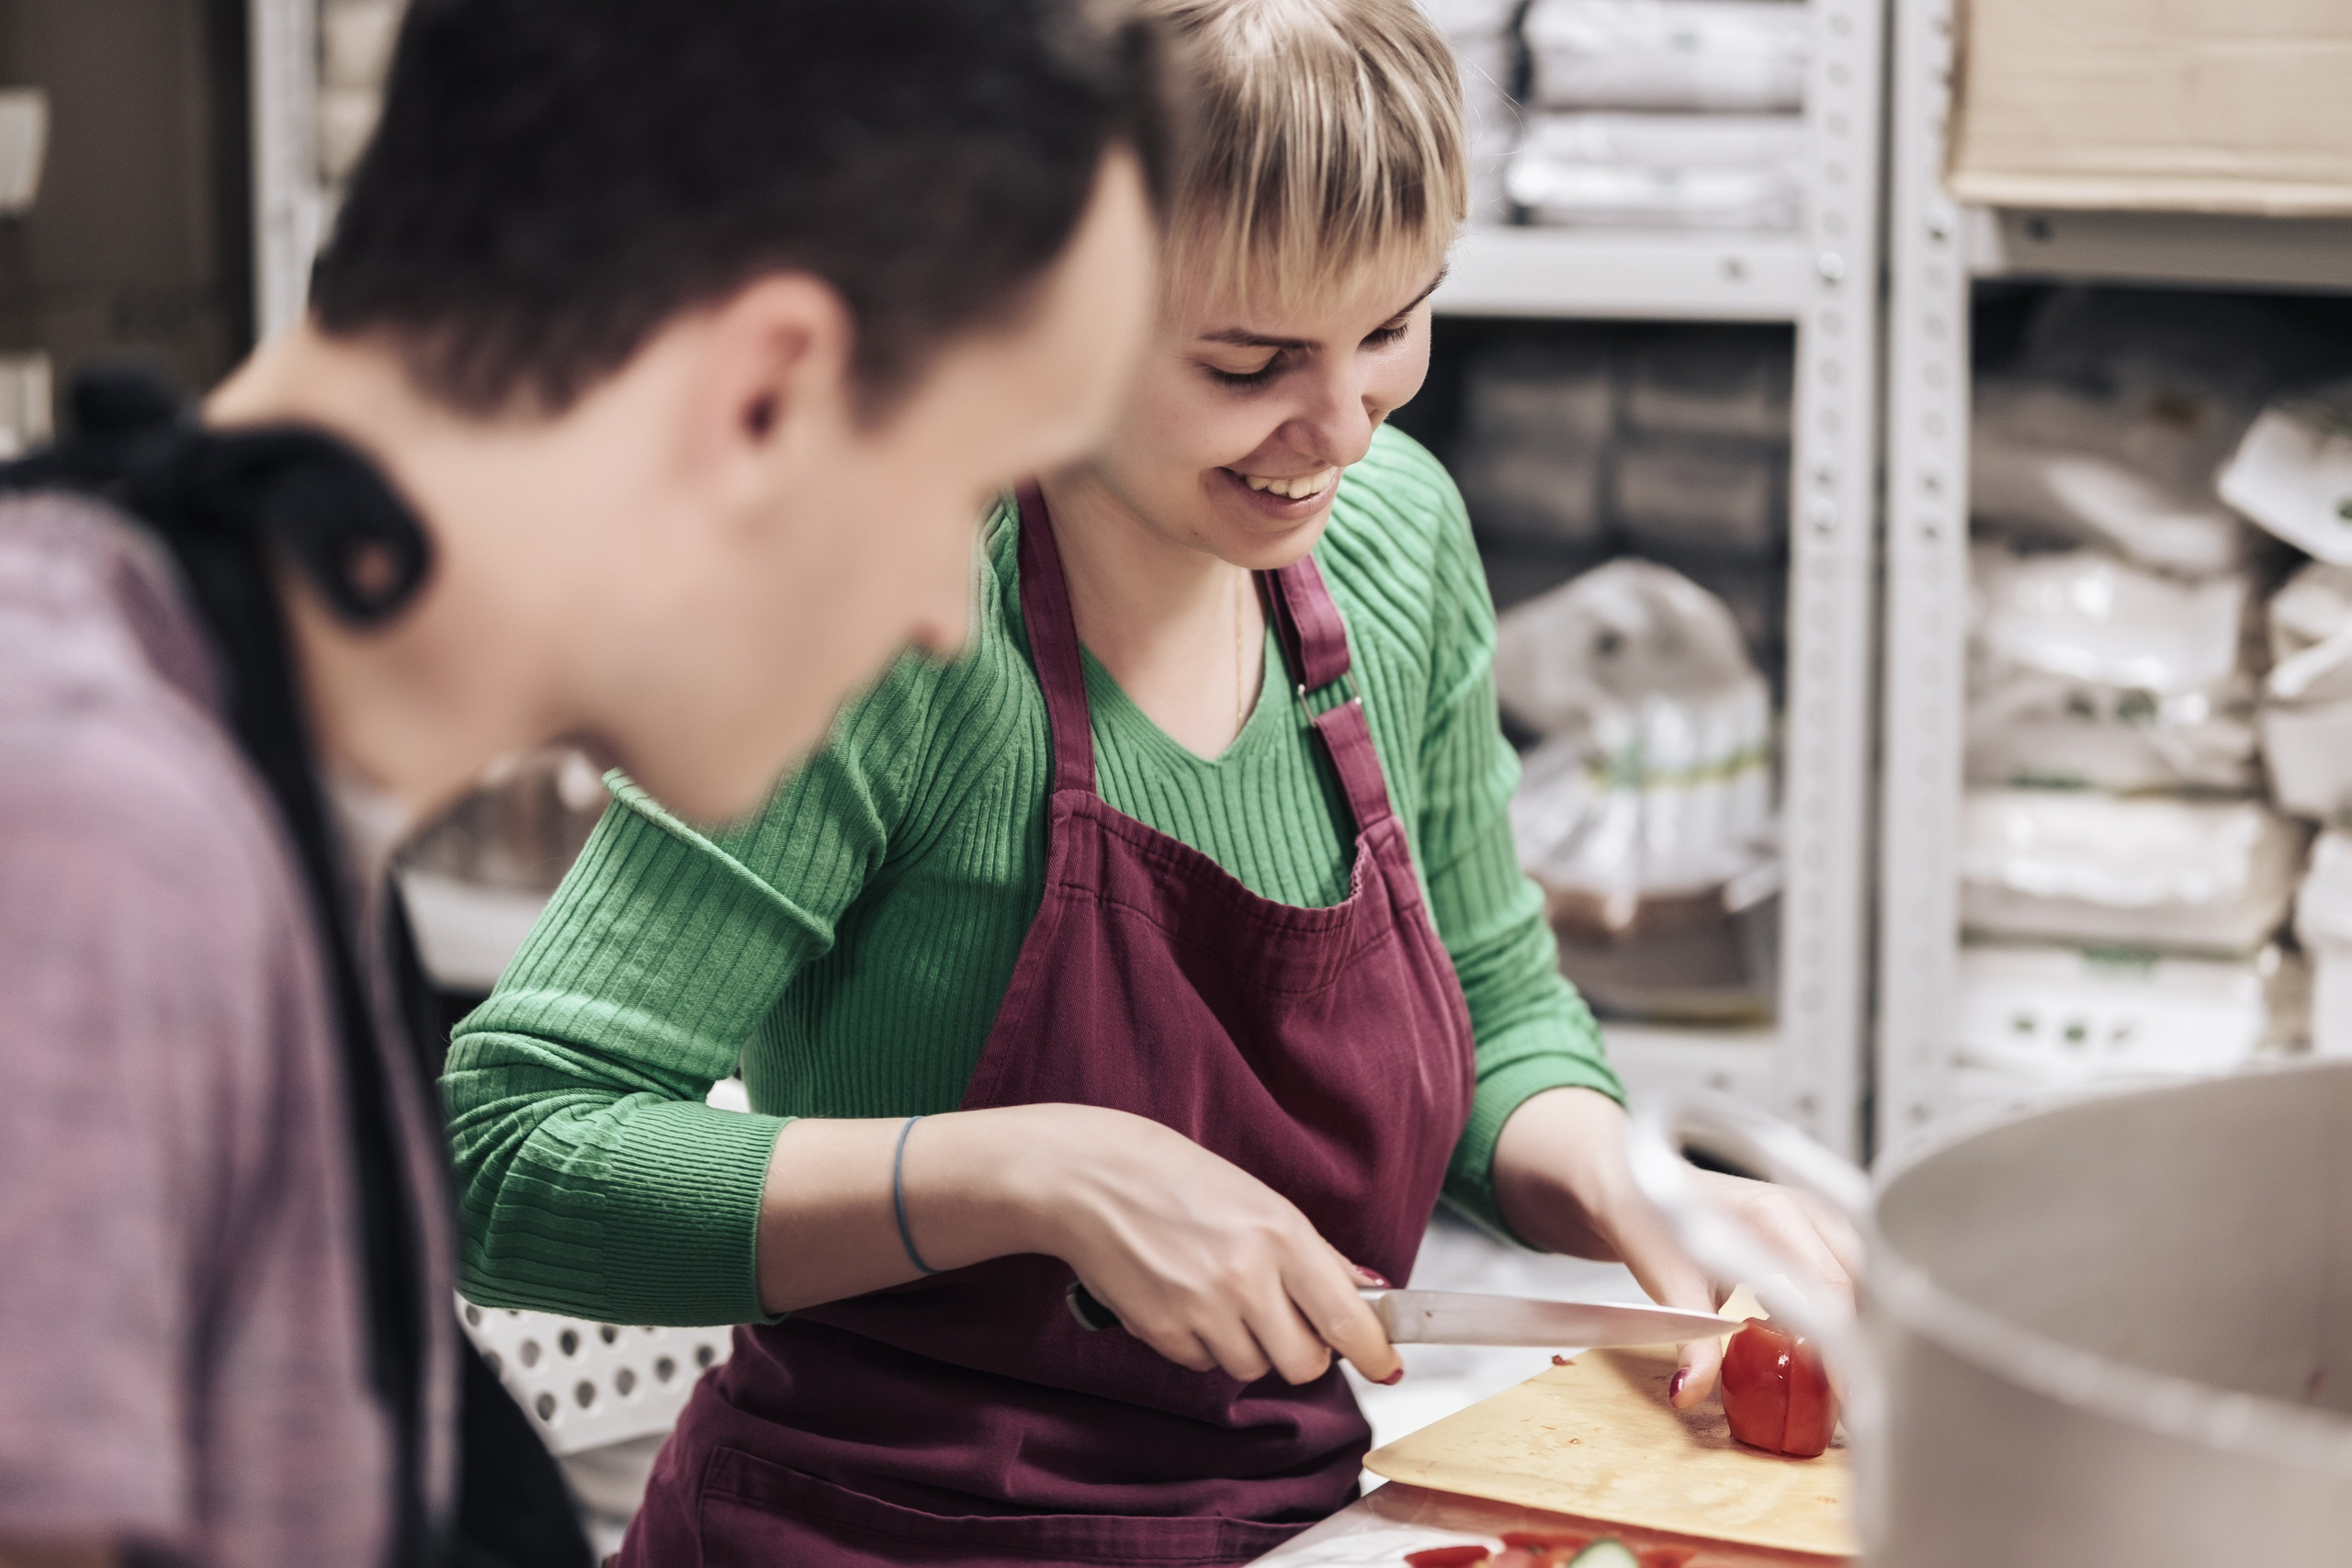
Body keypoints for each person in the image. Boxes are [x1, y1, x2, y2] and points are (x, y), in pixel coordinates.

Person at [445, 1, 1858, 1562]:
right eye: (1251, 361)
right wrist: (1029, 1172)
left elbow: (1498, 1001)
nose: (1340, 431)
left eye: (1393, 327)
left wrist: (1630, 1186)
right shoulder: (886, 620)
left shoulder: (1393, 546)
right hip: (871, 1529)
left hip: (1282, 1522)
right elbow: (508, 1149)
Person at [0, 0, 1170, 1562]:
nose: (944, 617)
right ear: (768, 396)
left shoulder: (238, 772)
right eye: (968, 484)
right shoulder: (84, 833)